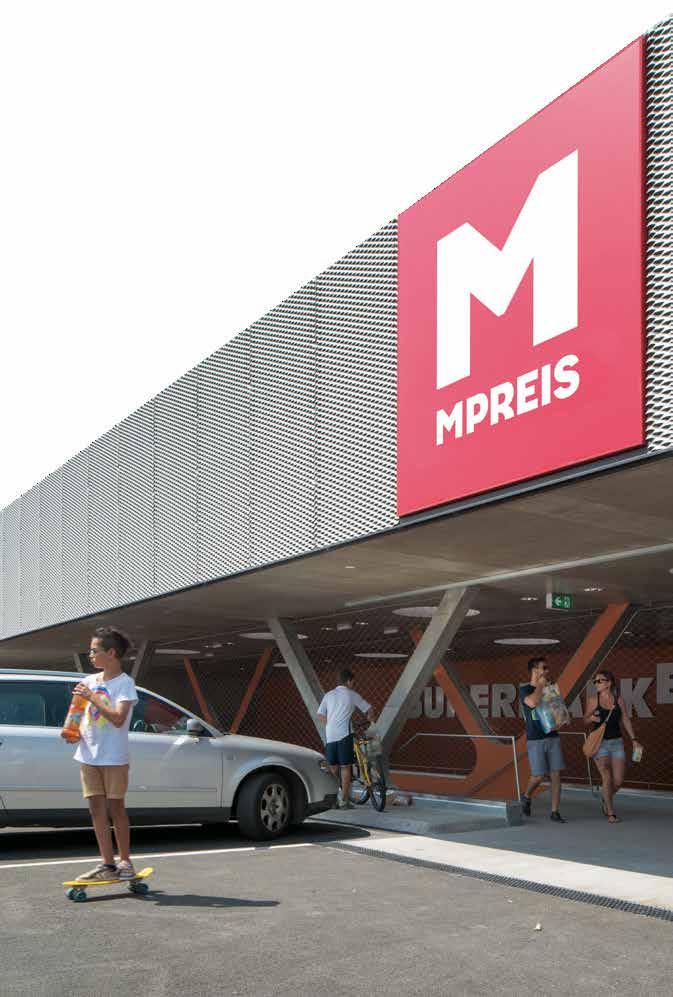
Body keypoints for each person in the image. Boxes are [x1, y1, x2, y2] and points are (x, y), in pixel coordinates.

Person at [67, 626, 138, 880]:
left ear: (111, 653)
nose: (90, 655)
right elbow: (78, 712)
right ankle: (107, 864)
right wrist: (71, 730)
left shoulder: (125, 683)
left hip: (114, 756)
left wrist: (92, 697)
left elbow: (118, 719)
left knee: (116, 809)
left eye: (94, 650)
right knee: (96, 811)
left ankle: (125, 862)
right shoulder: (89, 681)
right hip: (88, 756)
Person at [584, 670, 641, 823]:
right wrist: (591, 718)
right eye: (595, 681)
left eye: (599, 681)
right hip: (600, 743)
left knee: (618, 780)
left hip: (617, 743)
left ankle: (606, 796)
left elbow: (626, 720)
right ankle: (610, 812)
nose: (596, 684)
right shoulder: (593, 700)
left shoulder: (618, 700)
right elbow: (585, 720)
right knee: (606, 775)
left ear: (609, 683)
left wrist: (634, 739)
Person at [317, 668, 375, 809]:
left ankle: (331, 800)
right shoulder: (351, 694)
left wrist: (331, 725)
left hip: (330, 735)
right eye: (353, 682)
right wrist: (370, 720)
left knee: (332, 768)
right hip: (344, 734)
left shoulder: (328, 695)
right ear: (349, 681)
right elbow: (369, 709)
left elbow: (320, 715)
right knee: (345, 767)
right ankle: (344, 801)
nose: (353, 684)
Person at [519, 656, 567, 822]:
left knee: (556, 775)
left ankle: (555, 811)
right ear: (534, 670)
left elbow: (558, 709)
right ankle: (526, 796)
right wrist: (540, 685)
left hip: (552, 736)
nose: (547, 671)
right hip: (536, 738)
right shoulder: (525, 689)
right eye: (544, 668)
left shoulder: (551, 688)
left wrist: (561, 720)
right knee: (538, 776)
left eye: (547, 668)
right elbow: (532, 702)